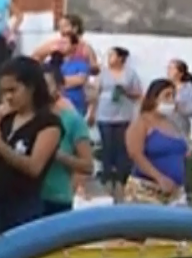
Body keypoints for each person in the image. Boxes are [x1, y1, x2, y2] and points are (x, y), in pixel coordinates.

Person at [0, 57, 62, 231]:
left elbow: (34, 167)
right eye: (4, 92)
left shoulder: (48, 123)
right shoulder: (7, 119)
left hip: (22, 209)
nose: (8, 97)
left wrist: (2, 148)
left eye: (13, 90)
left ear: (31, 87)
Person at [124, 79, 188, 205]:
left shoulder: (173, 124)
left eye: (173, 96)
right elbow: (135, 153)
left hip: (176, 193)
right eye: (167, 95)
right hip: (147, 190)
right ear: (154, 98)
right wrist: (159, 177)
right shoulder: (142, 123)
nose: (171, 100)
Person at [40, 64, 94, 215]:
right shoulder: (24, 118)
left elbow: (88, 166)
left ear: (60, 88)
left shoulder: (72, 120)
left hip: (56, 198)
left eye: (46, 85)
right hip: (26, 197)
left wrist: (58, 155)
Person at [91, 46, 141, 201]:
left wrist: (125, 91)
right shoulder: (103, 73)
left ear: (120, 58)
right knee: (107, 148)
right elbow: (95, 93)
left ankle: (121, 181)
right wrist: (92, 112)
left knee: (122, 149)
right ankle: (107, 181)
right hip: (104, 116)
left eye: (112, 55)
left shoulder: (130, 74)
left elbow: (138, 94)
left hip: (123, 117)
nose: (109, 58)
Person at [31, 13, 100, 73]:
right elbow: (36, 56)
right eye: (60, 27)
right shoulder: (55, 44)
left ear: (75, 28)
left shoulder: (85, 47)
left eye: (65, 26)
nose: (62, 30)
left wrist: (83, 69)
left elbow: (94, 67)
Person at [55, 34, 92, 116]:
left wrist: (57, 80)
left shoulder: (81, 62)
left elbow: (80, 80)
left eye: (65, 43)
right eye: (60, 43)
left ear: (74, 46)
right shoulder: (54, 62)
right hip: (57, 107)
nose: (61, 46)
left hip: (76, 106)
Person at [167, 59, 192, 137]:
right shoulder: (165, 86)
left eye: (171, 69)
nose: (168, 71)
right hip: (164, 126)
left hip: (180, 127)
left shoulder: (188, 89)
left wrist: (176, 106)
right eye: (168, 68)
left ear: (180, 73)